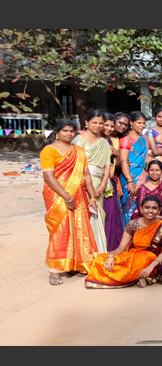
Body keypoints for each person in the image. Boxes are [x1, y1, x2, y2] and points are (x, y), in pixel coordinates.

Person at [41, 119, 100, 285]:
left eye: (72, 131)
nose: (69, 134)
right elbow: (49, 177)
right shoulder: (49, 151)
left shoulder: (79, 151)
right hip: (58, 196)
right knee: (61, 229)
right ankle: (55, 270)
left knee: (79, 228)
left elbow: (86, 175)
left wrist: (92, 197)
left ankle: (77, 264)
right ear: (57, 132)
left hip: (79, 195)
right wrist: (67, 197)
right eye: (65, 131)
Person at [85, 195, 162, 289]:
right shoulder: (133, 224)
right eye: (147, 207)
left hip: (150, 259)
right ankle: (141, 277)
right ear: (141, 209)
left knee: (143, 259)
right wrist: (111, 256)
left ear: (159, 211)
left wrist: (151, 266)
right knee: (100, 259)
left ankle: (145, 274)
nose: (150, 211)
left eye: (154, 208)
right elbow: (121, 248)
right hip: (132, 256)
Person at [72, 110, 112, 254]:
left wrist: (102, 185)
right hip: (81, 183)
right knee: (82, 216)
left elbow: (107, 165)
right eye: (94, 122)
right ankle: (82, 253)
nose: (98, 126)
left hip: (99, 183)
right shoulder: (78, 141)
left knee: (98, 215)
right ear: (86, 122)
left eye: (101, 123)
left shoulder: (104, 142)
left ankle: (98, 251)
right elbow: (76, 166)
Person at [119, 111, 150, 224]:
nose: (142, 126)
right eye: (139, 123)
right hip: (129, 176)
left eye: (143, 123)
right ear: (131, 123)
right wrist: (130, 181)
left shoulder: (143, 139)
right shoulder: (126, 139)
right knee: (128, 205)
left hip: (143, 175)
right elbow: (123, 161)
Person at [100, 113, 124, 251]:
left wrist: (118, 156)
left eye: (111, 126)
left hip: (110, 182)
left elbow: (119, 165)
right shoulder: (94, 140)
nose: (108, 128)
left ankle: (112, 246)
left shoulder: (114, 141)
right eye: (106, 125)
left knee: (111, 215)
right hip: (96, 181)